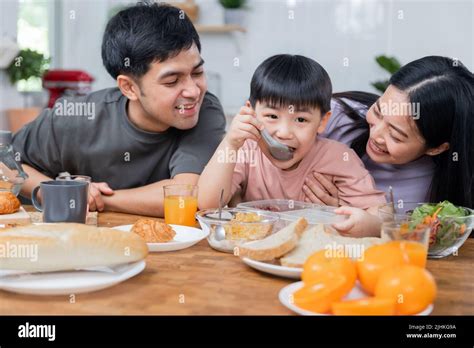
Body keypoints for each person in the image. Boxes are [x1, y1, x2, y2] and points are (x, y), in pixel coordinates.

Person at [12, 3, 226, 217]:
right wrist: (50, 191)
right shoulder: (77, 115)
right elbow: (5, 163)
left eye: (197, 73)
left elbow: (186, 195)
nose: (193, 91)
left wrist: (98, 197)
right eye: (172, 81)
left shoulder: (205, 110)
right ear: (129, 87)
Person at [303, 56, 474, 235]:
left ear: (436, 148)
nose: (376, 135)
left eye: (395, 135)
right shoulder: (331, 118)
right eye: (377, 111)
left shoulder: (437, 192)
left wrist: (347, 216)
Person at [198, 54, 386, 214]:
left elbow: (379, 213)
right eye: (272, 116)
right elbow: (207, 204)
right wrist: (230, 144)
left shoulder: (339, 158)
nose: (284, 133)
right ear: (251, 113)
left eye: (301, 120)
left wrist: (348, 218)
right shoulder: (245, 150)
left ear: (322, 121)